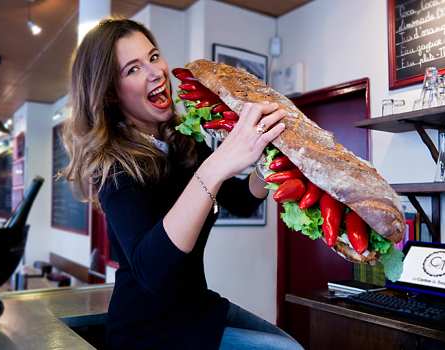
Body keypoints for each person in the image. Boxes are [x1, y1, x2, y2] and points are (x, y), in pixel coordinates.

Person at [62, 18, 303, 350]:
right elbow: (153, 271)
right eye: (132, 69)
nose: (155, 72)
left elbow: (241, 199)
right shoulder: (113, 165)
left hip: (197, 306)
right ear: (110, 94)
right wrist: (217, 166)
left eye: (154, 56)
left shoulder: (183, 141)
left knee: (289, 343)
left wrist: (271, 161)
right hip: (150, 331)